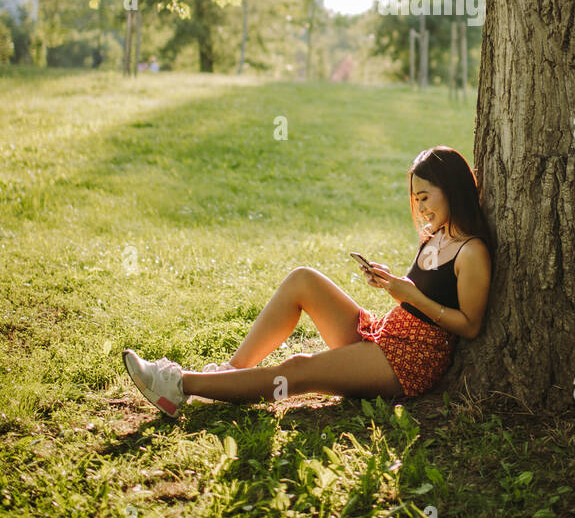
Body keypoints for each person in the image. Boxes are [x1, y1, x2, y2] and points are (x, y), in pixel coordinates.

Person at [122, 146, 493, 416]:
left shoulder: (472, 252)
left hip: (409, 361)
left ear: (453, 188)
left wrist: (410, 296)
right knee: (303, 280)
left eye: (426, 197)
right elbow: (419, 295)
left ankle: (176, 385)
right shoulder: (434, 235)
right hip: (386, 334)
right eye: (416, 199)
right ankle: (229, 375)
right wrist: (392, 285)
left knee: (298, 369)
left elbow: (471, 326)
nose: (421, 208)